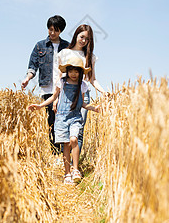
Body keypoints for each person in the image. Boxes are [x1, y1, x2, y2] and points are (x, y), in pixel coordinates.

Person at [28, 57, 100, 184]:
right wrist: (40, 106)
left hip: (75, 117)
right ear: (67, 71)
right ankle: (67, 173)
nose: (73, 74)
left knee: (74, 139)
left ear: (80, 72)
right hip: (61, 117)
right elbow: (54, 97)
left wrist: (94, 108)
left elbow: (82, 103)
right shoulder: (61, 82)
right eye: (71, 71)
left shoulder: (83, 85)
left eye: (76, 71)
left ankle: (75, 169)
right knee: (65, 145)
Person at [22, 15, 70, 154]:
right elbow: (33, 66)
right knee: (51, 119)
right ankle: (54, 152)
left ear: (61, 31)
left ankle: (64, 152)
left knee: (63, 118)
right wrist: (27, 78)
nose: (52, 33)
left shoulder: (67, 46)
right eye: (50, 30)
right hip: (47, 87)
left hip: (63, 87)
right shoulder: (40, 46)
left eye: (56, 30)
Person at [57, 24, 108, 153]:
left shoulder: (90, 57)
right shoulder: (64, 53)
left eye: (87, 39)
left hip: (82, 94)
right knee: (65, 132)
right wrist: (55, 99)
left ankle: (75, 166)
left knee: (78, 130)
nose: (83, 41)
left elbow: (92, 79)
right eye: (82, 37)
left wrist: (103, 91)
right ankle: (66, 165)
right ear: (76, 35)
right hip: (65, 95)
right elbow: (58, 78)